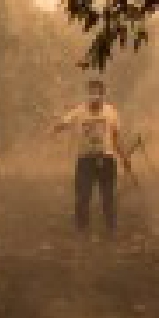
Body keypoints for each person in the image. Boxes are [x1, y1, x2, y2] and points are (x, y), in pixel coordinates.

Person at [51, 77, 133, 239]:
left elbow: (116, 138)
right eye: (91, 92)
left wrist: (124, 158)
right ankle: (82, 231)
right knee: (82, 196)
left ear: (103, 94)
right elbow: (64, 122)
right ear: (88, 94)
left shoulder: (111, 112)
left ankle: (111, 230)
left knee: (108, 196)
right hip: (85, 160)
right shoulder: (79, 111)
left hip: (106, 159)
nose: (94, 96)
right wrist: (56, 128)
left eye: (97, 92)